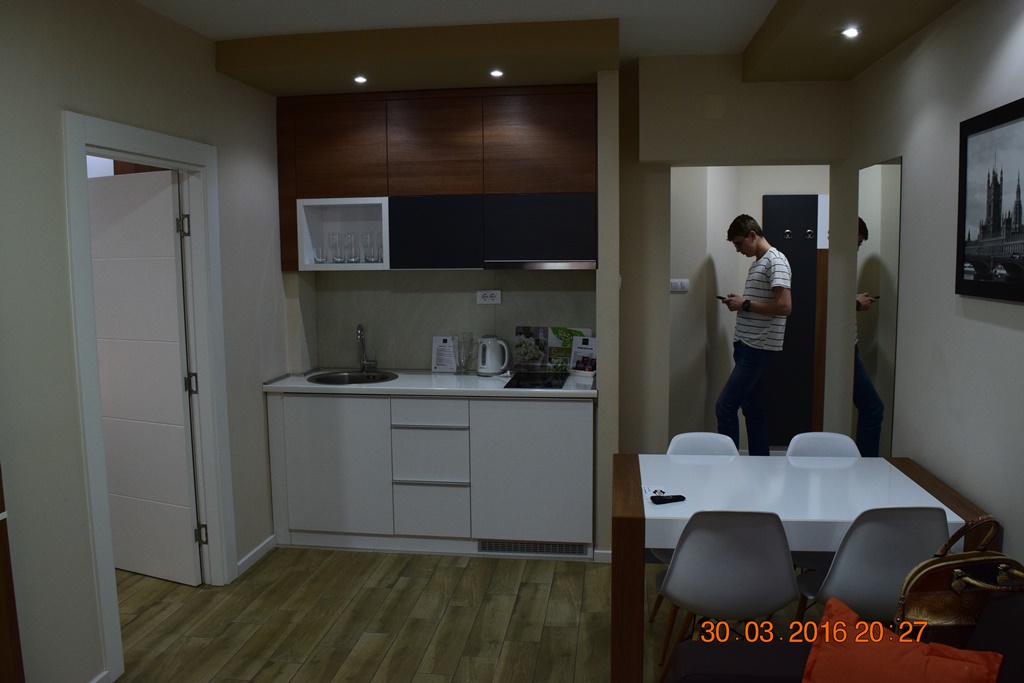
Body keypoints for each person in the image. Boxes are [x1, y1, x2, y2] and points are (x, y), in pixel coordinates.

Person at [716, 214, 792, 455]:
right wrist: (741, 302)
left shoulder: (775, 261)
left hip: (757, 347)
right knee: (752, 408)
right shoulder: (759, 262)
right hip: (747, 345)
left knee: (725, 406)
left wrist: (745, 304)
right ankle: (761, 463)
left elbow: (784, 307)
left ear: (752, 235)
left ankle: (728, 465)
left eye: (739, 243)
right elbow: (762, 302)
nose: (738, 250)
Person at [854, 218, 884, 457]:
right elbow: (822, 302)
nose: (856, 249)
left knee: (872, 408)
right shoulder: (834, 260)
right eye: (858, 243)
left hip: (849, 348)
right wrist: (855, 303)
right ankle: (866, 467)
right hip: (843, 350)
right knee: (873, 408)